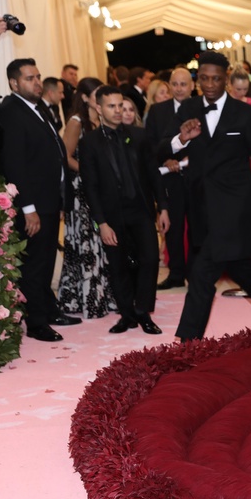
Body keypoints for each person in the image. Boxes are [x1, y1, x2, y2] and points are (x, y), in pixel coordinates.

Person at [162, 51, 251, 341]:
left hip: (235, 211)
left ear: (227, 79)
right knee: (244, 273)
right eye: (205, 78)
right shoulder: (187, 109)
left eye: (217, 78)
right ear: (198, 79)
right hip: (201, 210)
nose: (210, 84)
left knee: (201, 275)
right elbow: (160, 149)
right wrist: (181, 139)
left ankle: (187, 343)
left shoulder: (246, 114)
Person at [0, 58, 82, 341]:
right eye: (29, 78)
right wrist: (29, 208)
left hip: (48, 199)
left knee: (46, 260)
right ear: (13, 83)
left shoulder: (36, 107)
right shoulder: (10, 111)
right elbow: (15, 164)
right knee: (34, 264)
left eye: (37, 77)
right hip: (32, 203)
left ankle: (48, 309)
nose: (36, 82)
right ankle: (36, 323)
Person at [80, 86, 167, 335]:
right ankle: (127, 314)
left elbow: (153, 175)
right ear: (99, 108)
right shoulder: (90, 143)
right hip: (112, 215)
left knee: (150, 259)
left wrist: (163, 207)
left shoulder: (139, 136)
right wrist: (102, 223)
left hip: (140, 209)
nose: (118, 111)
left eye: (120, 105)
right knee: (119, 266)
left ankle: (143, 312)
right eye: (111, 106)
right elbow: (91, 187)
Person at [59, 76, 116, 320]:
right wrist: (88, 170)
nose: (100, 99)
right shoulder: (76, 121)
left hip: (100, 188)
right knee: (86, 243)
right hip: (81, 191)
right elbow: (65, 155)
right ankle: (86, 299)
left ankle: (105, 296)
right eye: (96, 95)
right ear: (85, 98)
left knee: (102, 243)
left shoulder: (100, 119)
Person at [145, 67, 194, 290]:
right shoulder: (157, 110)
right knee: (172, 228)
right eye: (175, 84)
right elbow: (152, 144)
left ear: (192, 86)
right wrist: (165, 160)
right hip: (169, 177)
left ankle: (196, 273)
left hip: (196, 177)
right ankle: (175, 273)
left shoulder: (201, 107)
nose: (179, 88)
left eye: (183, 84)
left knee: (197, 227)